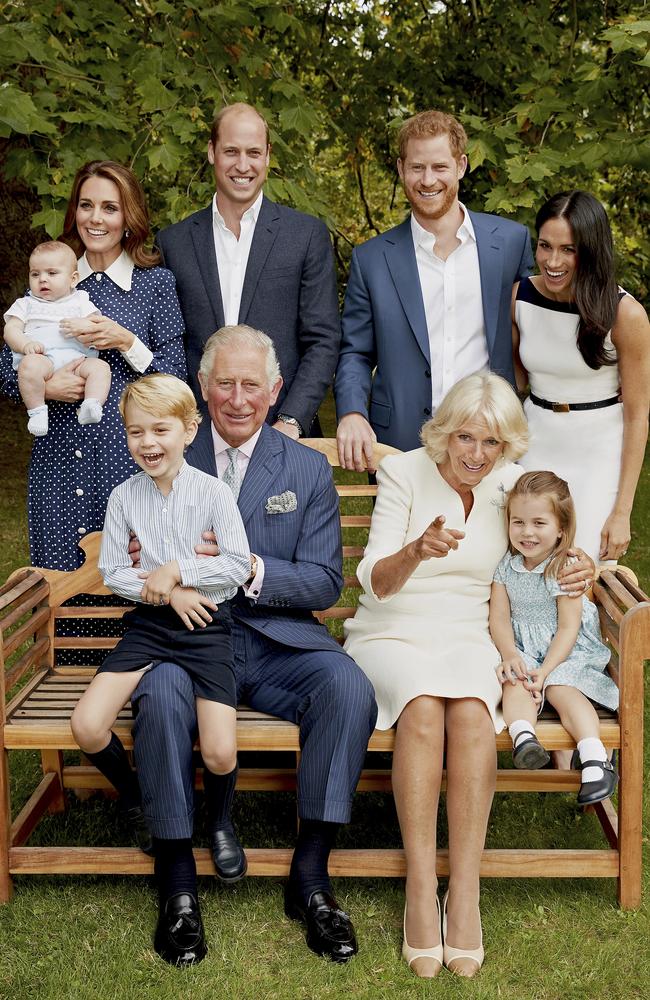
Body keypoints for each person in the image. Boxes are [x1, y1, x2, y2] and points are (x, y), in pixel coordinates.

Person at [129, 325, 377, 968]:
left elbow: (324, 582)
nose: (237, 400)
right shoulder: (169, 450)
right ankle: (179, 883)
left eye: (251, 386)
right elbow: (135, 548)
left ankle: (312, 875)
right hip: (186, 637)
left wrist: (248, 568)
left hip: (275, 639)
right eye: (223, 384)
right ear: (202, 389)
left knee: (347, 687)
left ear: (275, 391)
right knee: (156, 693)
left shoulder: (305, 468)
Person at [342, 372, 592, 979]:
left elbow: (553, 534)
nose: (476, 454)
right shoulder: (404, 472)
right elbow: (373, 580)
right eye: (466, 438)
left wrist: (580, 564)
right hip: (394, 626)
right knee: (424, 706)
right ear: (444, 433)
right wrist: (415, 550)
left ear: (507, 447)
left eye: (492, 443)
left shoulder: (509, 486)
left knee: (475, 714)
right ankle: (422, 888)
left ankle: (468, 890)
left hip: (473, 632)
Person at [70, 374, 251, 881]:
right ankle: (137, 800)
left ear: (190, 430)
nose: (147, 443)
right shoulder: (124, 498)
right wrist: (167, 588)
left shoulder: (214, 493)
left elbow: (236, 565)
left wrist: (181, 571)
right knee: (86, 724)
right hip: (150, 624)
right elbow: (113, 572)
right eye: (135, 432)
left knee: (218, 751)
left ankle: (218, 821)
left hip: (206, 626)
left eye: (160, 430)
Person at [0, 160, 187, 570]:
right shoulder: (49, 279)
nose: (96, 218)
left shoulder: (154, 284)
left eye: (110, 207)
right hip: (58, 460)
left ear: (129, 216)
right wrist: (45, 390)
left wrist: (127, 342)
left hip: (129, 460)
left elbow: (175, 374)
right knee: (58, 583)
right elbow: (3, 368)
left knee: (133, 582)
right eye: (86, 206)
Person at [335, 108, 533, 469]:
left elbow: (534, 330)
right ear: (400, 169)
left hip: (491, 440)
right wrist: (350, 411)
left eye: (440, 167)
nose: (428, 180)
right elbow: (355, 353)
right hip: (399, 441)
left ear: (461, 166)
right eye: (417, 167)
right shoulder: (372, 259)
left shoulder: (510, 243)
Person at [155, 102, 340, 437]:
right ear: (212, 152)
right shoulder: (173, 243)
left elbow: (323, 340)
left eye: (253, 152)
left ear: (268, 155)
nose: (243, 165)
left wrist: (292, 420)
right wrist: (186, 419)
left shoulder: (305, 236)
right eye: (231, 151)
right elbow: (170, 345)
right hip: (197, 437)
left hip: (283, 433)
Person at [513, 190, 650, 563]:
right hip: (534, 444)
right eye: (544, 246)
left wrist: (622, 512)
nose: (552, 261)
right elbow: (515, 383)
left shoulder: (626, 315)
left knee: (581, 570)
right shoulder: (520, 298)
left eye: (568, 250)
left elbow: (638, 416)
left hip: (598, 453)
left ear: (590, 250)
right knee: (525, 563)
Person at [489, 470, 618, 805]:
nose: (526, 532)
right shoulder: (506, 566)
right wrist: (509, 654)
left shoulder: (565, 566)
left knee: (561, 689)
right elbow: (500, 618)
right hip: (523, 649)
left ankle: (593, 757)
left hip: (565, 651)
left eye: (539, 523)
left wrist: (545, 672)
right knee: (515, 682)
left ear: (561, 528)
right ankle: (525, 739)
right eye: (517, 522)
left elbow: (567, 628)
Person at [3, 241, 110, 436]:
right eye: (35, 274)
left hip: (77, 359)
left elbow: (98, 324)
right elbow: (11, 330)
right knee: (29, 367)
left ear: (73, 279)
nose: (42, 279)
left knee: (101, 368)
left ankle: (92, 404)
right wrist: (25, 344)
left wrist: (86, 325)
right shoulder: (25, 304)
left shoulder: (81, 301)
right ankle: (37, 411)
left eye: (52, 273)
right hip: (42, 358)